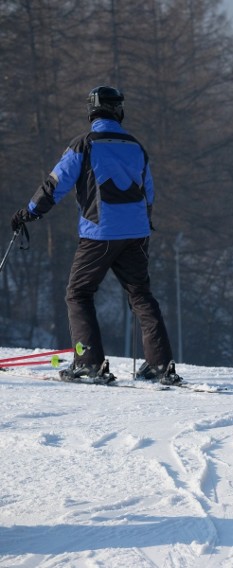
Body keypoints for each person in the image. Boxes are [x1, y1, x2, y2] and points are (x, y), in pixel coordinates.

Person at [10, 86, 181, 386]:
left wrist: (30, 212)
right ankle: (160, 366)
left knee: (78, 293)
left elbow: (56, 183)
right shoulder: (136, 146)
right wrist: (142, 222)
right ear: (117, 111)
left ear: (92, 112)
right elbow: (148, 192)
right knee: (141, 296)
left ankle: (89, 364)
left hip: (100, 233)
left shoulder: (84, 144)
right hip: (137, 234)